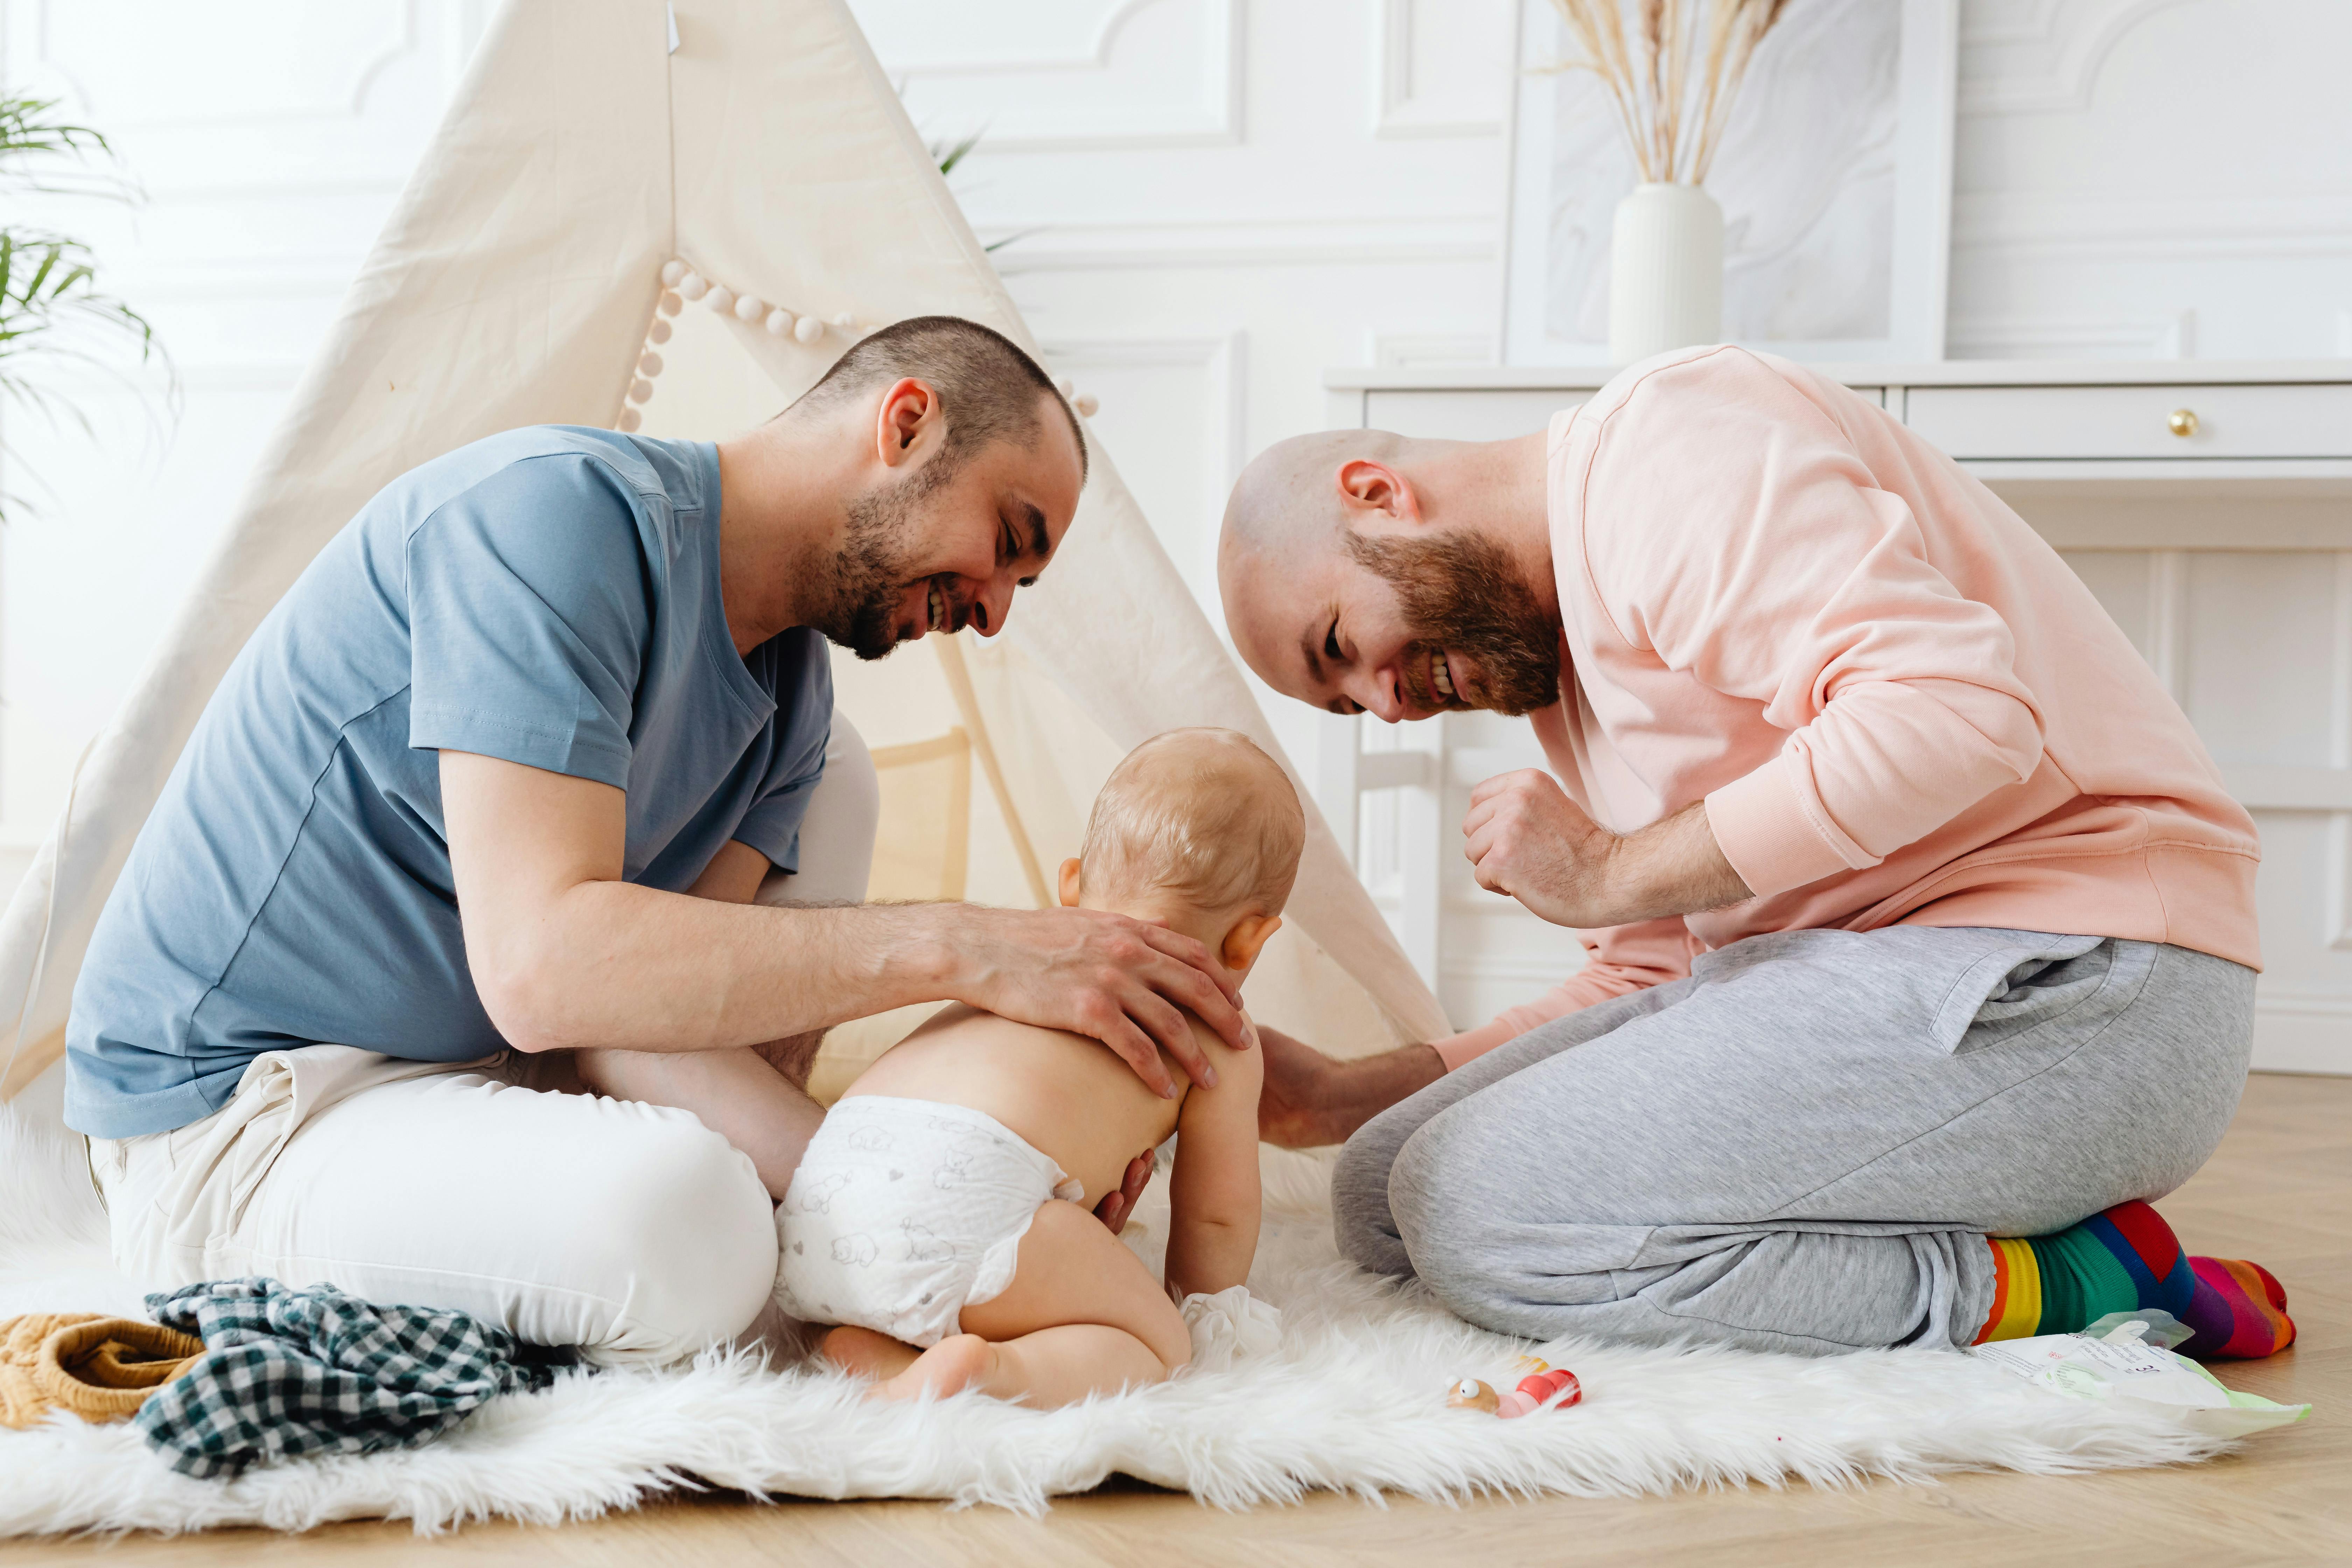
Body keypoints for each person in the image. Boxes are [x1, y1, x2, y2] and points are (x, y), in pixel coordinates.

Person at [65, 315, 1255, 1366]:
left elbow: (638, 1028)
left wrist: (942, 1196)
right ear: (904, 424)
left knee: (834, 813)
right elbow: (546, 976)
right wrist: (966, 945)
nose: (992, 611)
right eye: (1009, 535)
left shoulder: (793, 707)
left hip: (471, 1079)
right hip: (244, 1121)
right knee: (697, 1229)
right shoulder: (553, 517)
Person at [1219, 344, 2295, 1362]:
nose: (1385, 703)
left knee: (1487, 1220)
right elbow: (1648, 973)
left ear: (1376, 494)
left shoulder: (1666, 457)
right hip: (1872, 977)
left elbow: (1956, 714)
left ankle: (2084, 1283)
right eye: (1348, 707)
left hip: (2091, 973)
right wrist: (1337, 1097)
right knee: (1381, 1193)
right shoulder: (1562, 671)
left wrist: (1607, 870)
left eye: (1340, 648)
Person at [791, 727, 1294, 1406]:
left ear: (1071, 882)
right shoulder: (1216, 1030)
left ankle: (867, 1347)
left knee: (969, 1264)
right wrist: (1205, 1308)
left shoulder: (1016, 962)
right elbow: (1216, 1216)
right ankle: (993, 1373)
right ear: (1251, 935)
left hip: (821, 1212)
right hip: (967, 1211)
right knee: (1157, 1342)